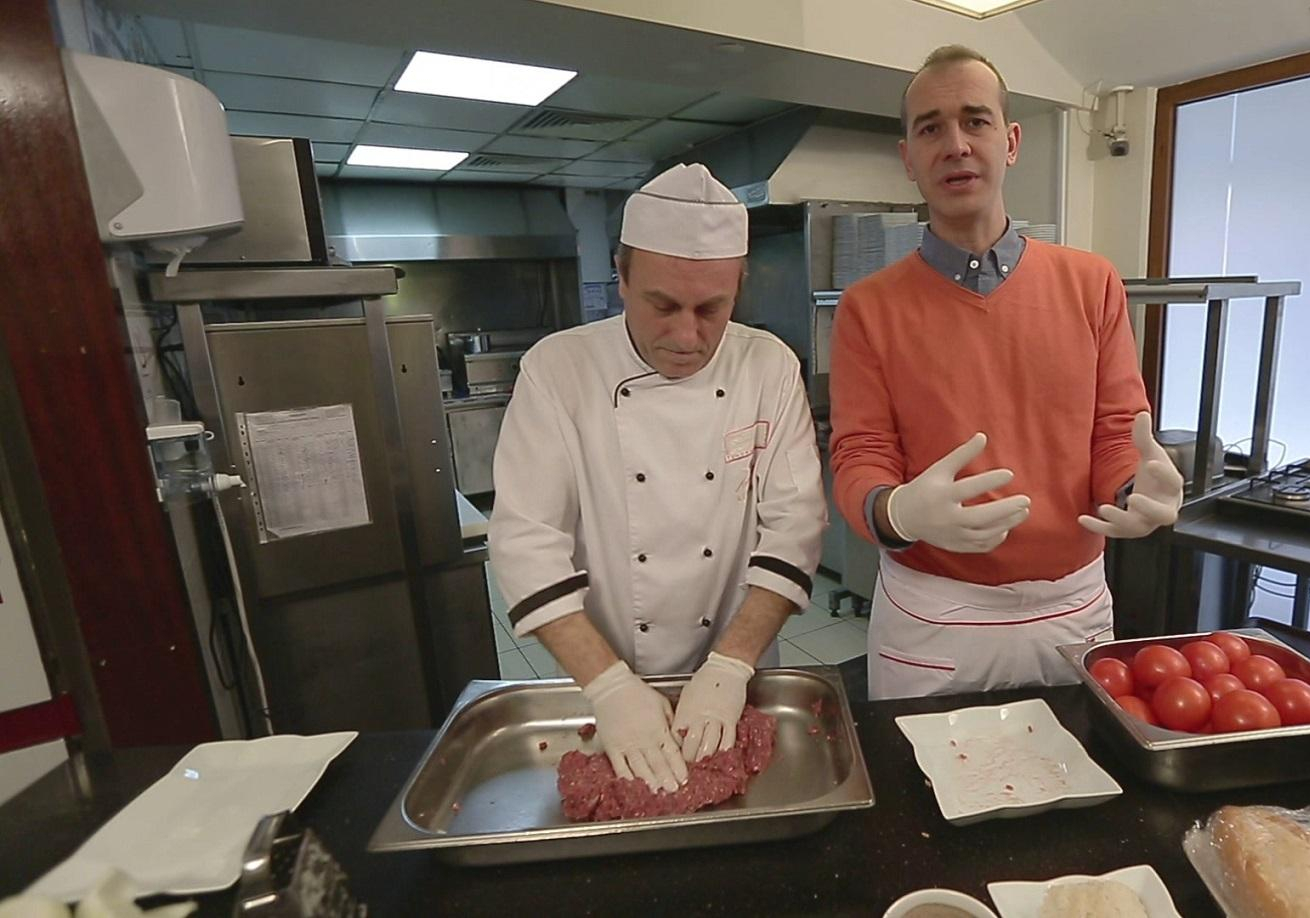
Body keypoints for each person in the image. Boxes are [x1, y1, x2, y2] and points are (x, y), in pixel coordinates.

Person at [829, 45, 1183, 700]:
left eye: (975, 121)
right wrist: (897, 510)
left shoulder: (1091, 283)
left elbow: (1115, 434)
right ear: (908, 158)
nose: (955, 145)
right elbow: (860, 453)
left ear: (1011, 141)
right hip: (935, 617)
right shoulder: (868, 308)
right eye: (931, 128)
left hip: (1072, 608)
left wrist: (1136, 488)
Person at [489, 163, 825, 791]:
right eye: (662, 305)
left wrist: (730, 667)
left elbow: (796, 524)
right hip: (603, 668)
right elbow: (526, 541)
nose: (686, 335)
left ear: (739, 286)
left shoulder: (768, 367)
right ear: (621, 277)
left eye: (712, 308)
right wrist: (609, 686)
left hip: (738, 669)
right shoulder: (558, 371)